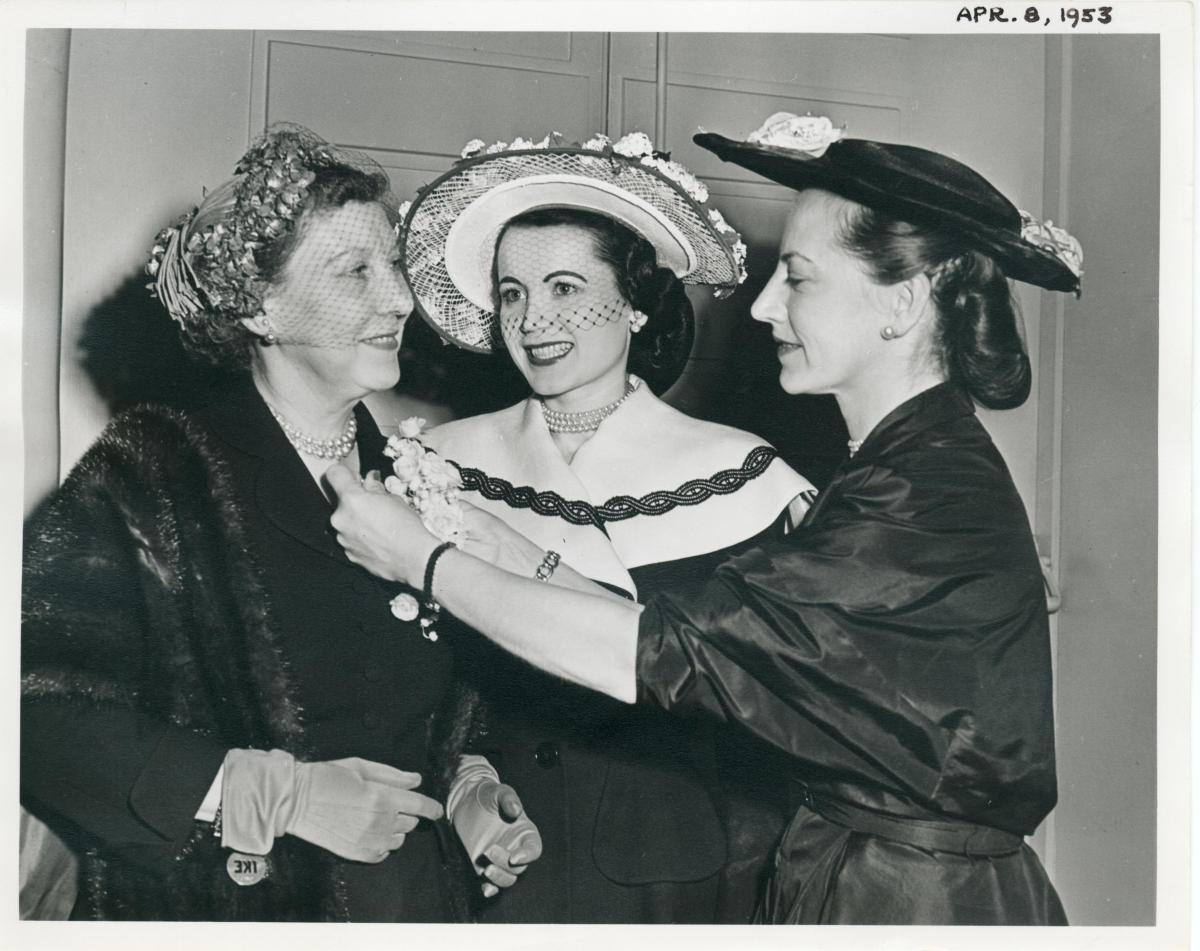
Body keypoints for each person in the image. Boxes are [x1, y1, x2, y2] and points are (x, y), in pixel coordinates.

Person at [329, 113, 1084, 925]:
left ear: (901, 302)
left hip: (913, 900)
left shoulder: (920, 495)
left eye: (797, 278)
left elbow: (666, 652)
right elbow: (709, 637)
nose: (763, 306)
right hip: (867, 874)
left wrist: (426, 561)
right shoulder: (902, 467)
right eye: (513, 292)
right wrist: (506, 547)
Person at [20, 123, 539, 921]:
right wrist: (276, 795)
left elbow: (432, 709)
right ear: (261, 307)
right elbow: (34, 716)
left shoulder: (418, 478)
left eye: (394, 265)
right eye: (354, 271)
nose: (399, 299)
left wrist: (470, 786)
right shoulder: (150, 472)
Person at [399, 130, 814, 923]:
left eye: (564, 287)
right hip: (491, 869)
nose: (532, 319)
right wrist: (463, 784)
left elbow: (770, 713)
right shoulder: (440, 461)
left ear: (635, 302)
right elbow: (410, 688)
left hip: (671, 876)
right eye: (512, 293)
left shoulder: (744, 475)